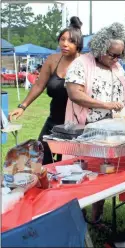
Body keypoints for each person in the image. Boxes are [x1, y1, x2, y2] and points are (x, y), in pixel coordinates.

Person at [64, 22, 125, 223]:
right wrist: (106, 105)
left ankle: (96, 218)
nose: (115, 58)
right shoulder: (81, 63)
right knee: (80, 176)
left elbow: (124, 97)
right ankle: (77, 218)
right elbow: (75, 94)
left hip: (110, 135)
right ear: (100, 48)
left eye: (119, 55)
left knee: (105, 174)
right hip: (83, 132)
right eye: (112, 54)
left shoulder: (118, 68)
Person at [9, 16, 83, 165]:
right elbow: (38, 85)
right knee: (41, 160)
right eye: (62, 39)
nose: (65, 44)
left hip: (76, 126)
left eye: (70, 41)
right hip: (53, 122)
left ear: (78, 44)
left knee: (68, 166)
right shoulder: (52, 60)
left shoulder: (84, 63)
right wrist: (22, 106)